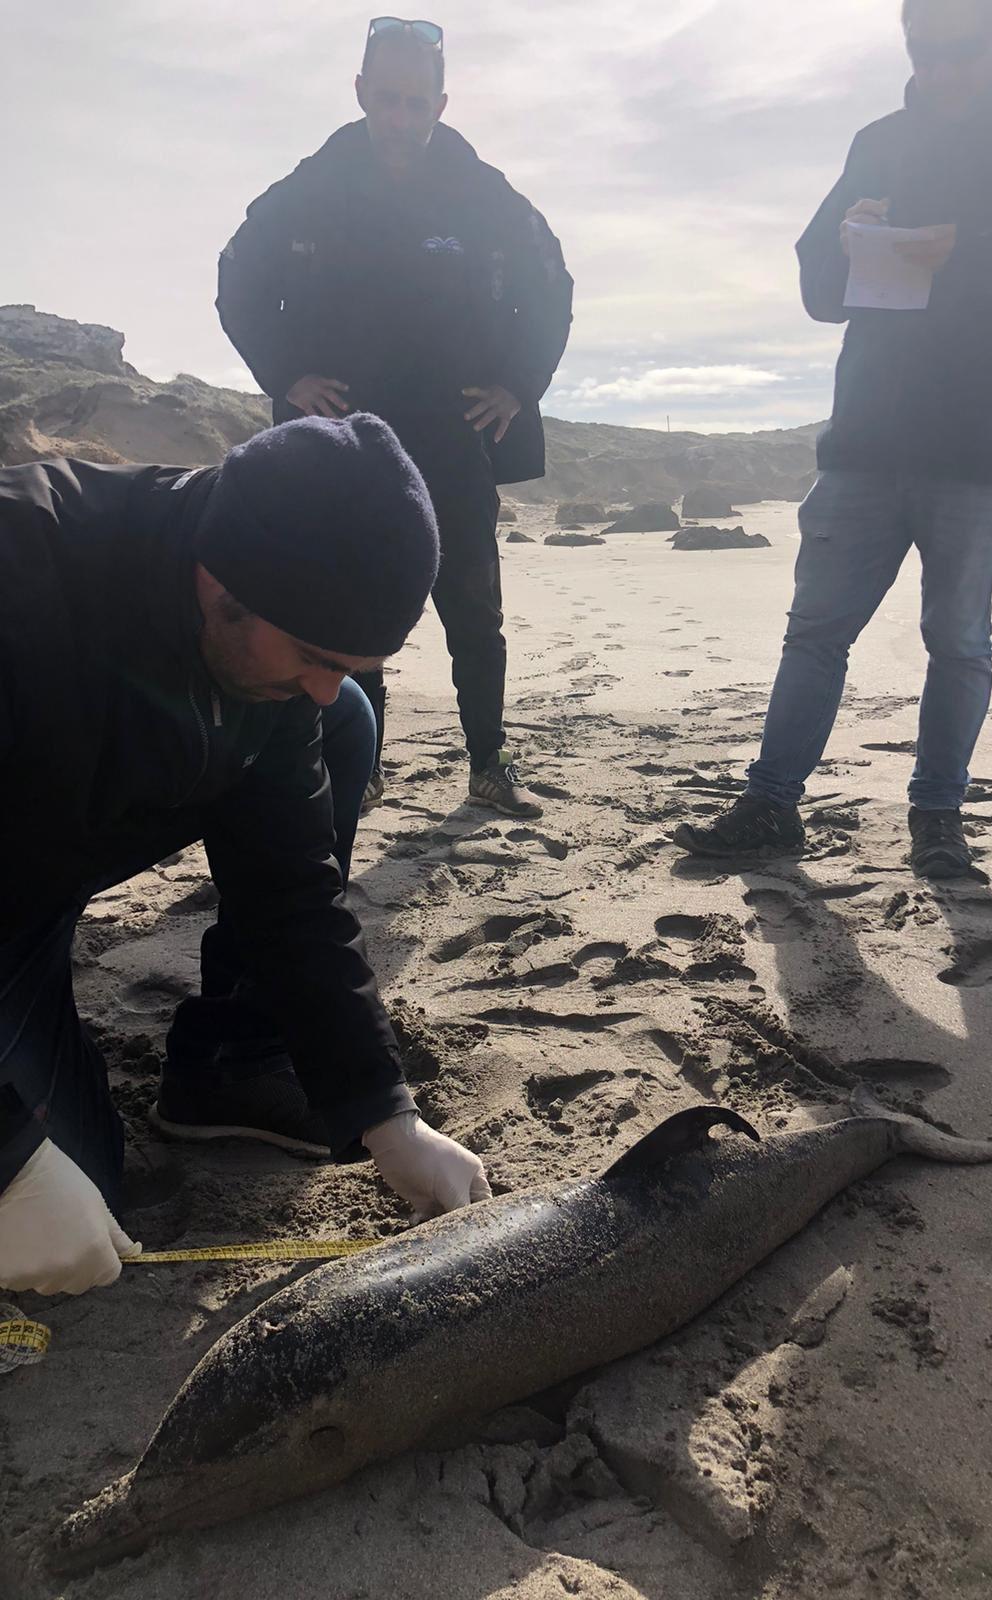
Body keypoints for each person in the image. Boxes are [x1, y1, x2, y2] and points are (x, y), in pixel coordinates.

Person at [0, 413, 491, 1300]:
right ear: (221, 580)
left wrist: (386, 1115)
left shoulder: (271, 643)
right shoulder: (21, 579)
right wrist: (9, 1161)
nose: (321, 685)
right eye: (312, 655)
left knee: (347, 727)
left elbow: (290, 895)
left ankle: (234, 1058)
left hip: (41, 873)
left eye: (355, 662)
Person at [674, 0, 992, 877]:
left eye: (958, 50)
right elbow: (817, 284)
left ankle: (936, 820)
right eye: (920, 50)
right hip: (865, 434)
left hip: (983, 440)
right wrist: (851, 242)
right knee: (814, 631)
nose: (938, 69)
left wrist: (971, 247)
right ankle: (771, 804)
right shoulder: (881, 137)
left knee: (958, 641)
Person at [217, 17, 574, 819]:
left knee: (474, 607)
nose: (403, 121)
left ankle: (490, 763)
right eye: (389, 100)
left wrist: (518, 383)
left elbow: (552, 287)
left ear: (442, 102)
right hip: (342, 434)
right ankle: (363, 765)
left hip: (453, 433)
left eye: (419, 103)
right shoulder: (310, 186)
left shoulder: (483, 191)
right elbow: (237, 281)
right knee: (350, 601)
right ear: (360, 93)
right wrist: (286, 375)